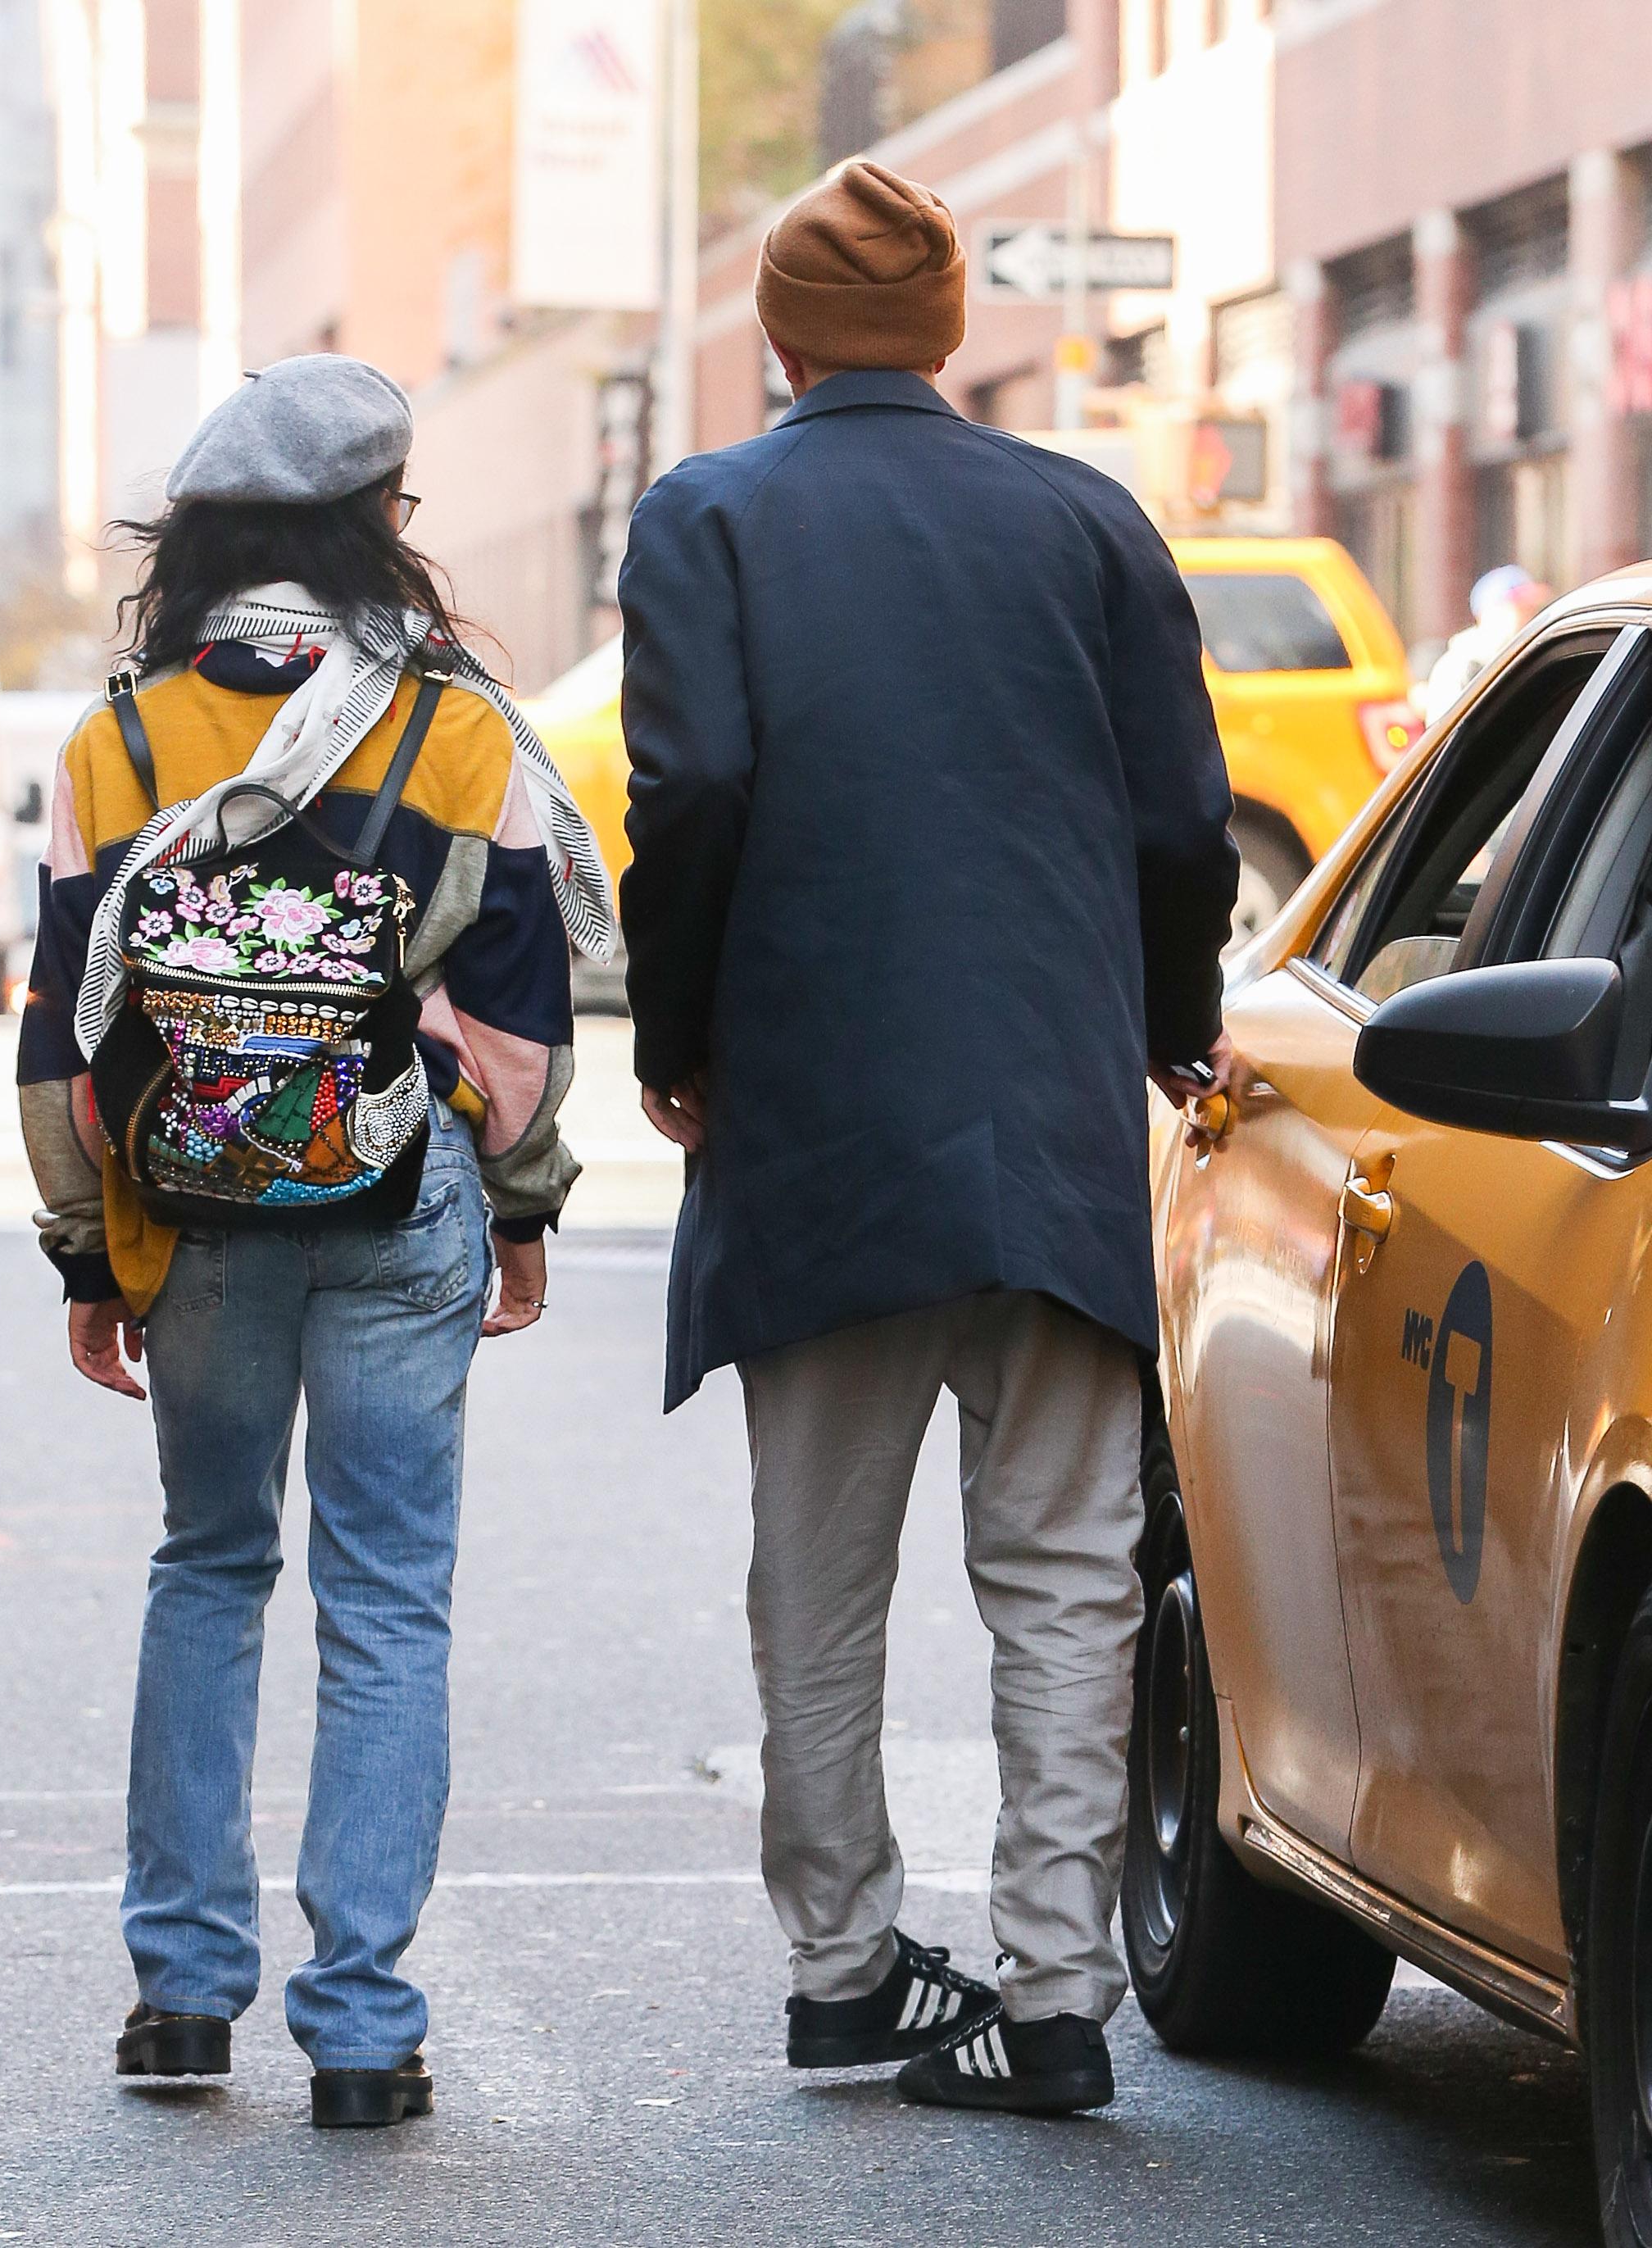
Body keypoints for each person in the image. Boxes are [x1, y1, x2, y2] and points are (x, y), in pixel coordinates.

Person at [618, 161, 1237, 2118]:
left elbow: (692, 782)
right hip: (1047, 1115)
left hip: (810, 1115)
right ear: (952, 331)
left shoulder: (703, 514)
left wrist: (679, 1034)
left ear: (772, 337)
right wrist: (1161, 1026)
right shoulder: (1083, 517)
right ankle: (1054, 1997)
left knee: (818, 1567)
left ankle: (838, 1965)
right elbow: (1174, 825)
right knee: (1064, 1566)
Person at [16, 355, 608, 2128]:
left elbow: (61, 1030)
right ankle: (363, 2028)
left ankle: (182, 2000)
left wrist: (79, 1250)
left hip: (187, 1212)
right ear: (379, 527)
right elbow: (520, 1028)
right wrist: (518, 1207)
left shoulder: (115, 743)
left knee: (208, 1565)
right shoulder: (456, 729)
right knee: (387, 1596)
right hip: (395, 1193)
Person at [1422, 563, 1554, 723]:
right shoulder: (1457, 668)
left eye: (1531, 610)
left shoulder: (1527, 661)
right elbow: (1447, 739)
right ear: (1490, 612)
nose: (1529, 618)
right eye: (1521, 609)